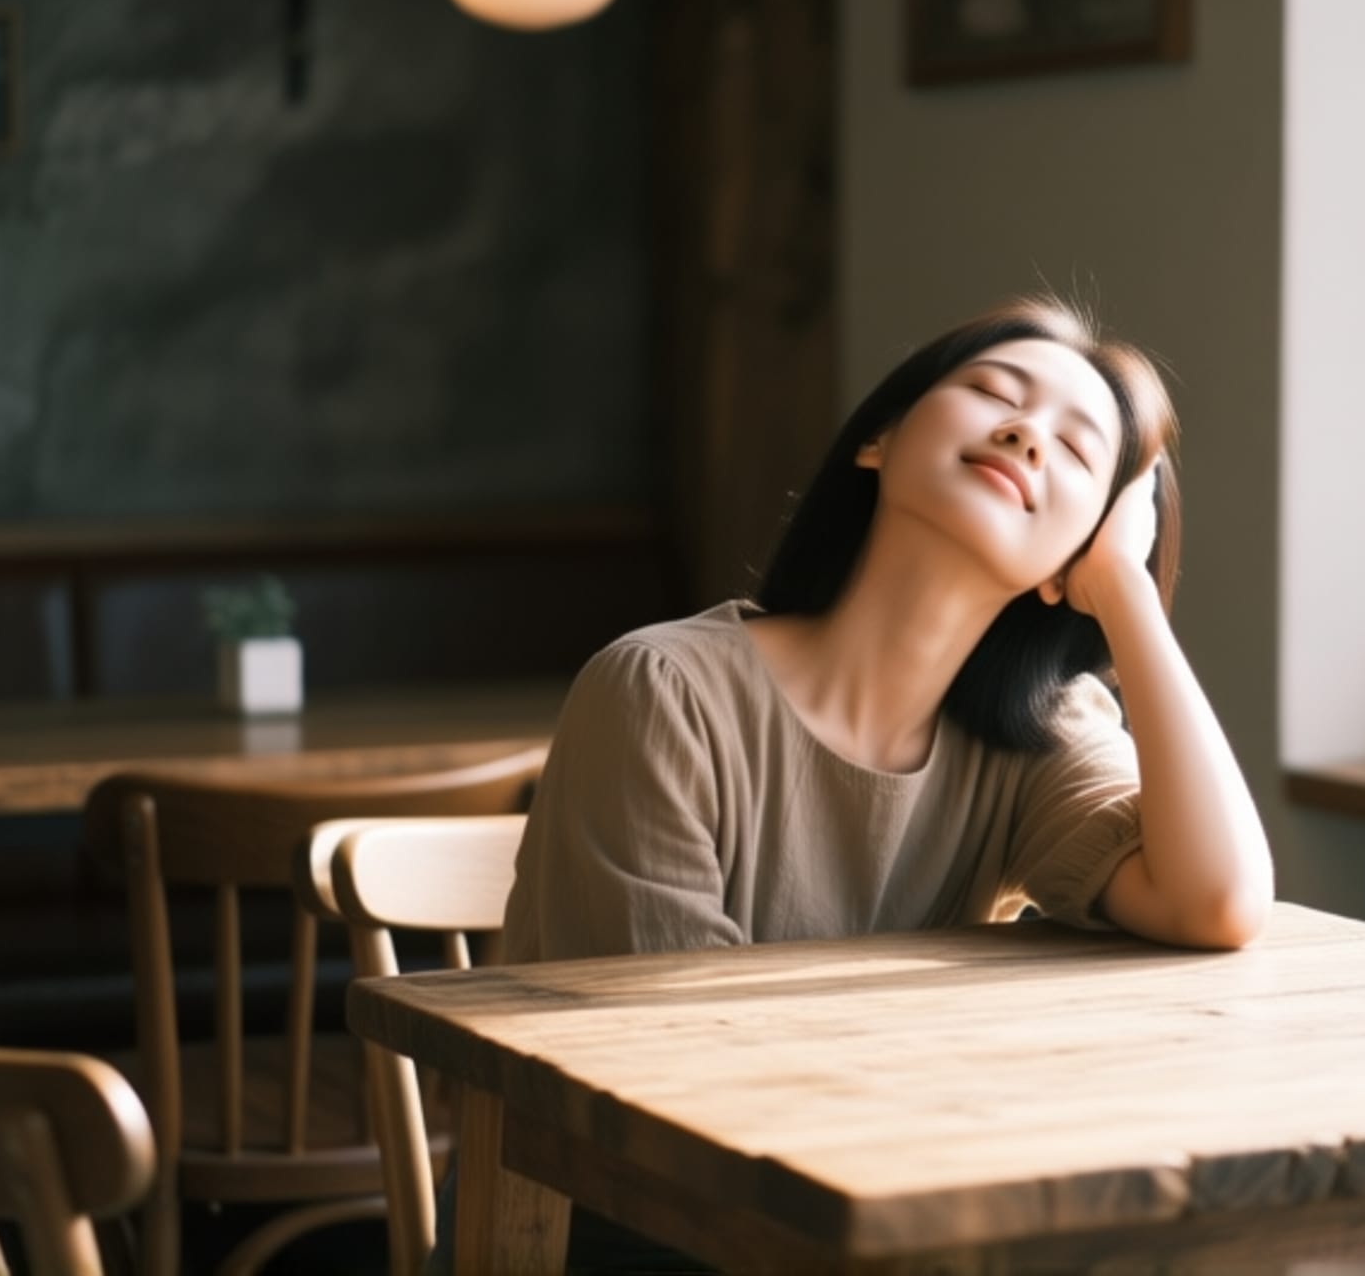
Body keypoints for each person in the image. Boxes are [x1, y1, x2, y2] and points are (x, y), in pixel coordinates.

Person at [449, 294, 1274, 1273]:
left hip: (881, 1229)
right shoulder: (662, 691)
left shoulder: (1041, 740)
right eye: (992, 393)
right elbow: (686, 1085)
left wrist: (1129, 596)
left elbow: (1216, 900)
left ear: (1077, 559)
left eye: (1079, 449)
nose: (1023, 431)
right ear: (880, 438)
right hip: (622, 1239)